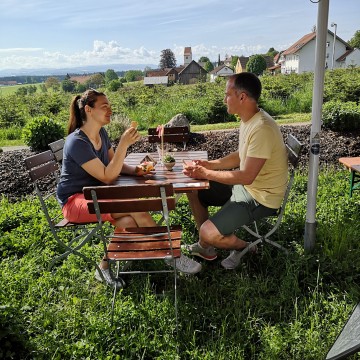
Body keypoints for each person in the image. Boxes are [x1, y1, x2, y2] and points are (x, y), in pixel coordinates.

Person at [57, 89, 201, 288]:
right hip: (75, 202)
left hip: (97, 195)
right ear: (89, 110)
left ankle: (104, 268)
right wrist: (124, 144)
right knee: (135, 207)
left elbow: (114, 164)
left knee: (127, 219)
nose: (110, 110)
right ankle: (172, 254)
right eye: (104, 107)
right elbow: (108, 176)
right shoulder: (77, 142)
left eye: (110, 106)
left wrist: (136, 171)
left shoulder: (101, 133)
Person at [183, 72, 288, 270]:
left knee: (207, 230)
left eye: (227, 95)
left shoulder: (262, 128)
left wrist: (205, 174)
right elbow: (241, 155)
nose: (224, 100)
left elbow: (247, 176)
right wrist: (209, 165)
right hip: (247, 188)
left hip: (261, 198)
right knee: (193, 188)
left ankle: (243, 246)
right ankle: (207, 243)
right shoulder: (249, 119)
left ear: (242, 97)